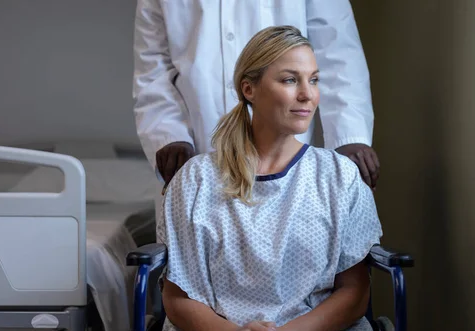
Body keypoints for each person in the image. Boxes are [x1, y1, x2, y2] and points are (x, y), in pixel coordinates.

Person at [157, 25, 384, 331]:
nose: (307, 95)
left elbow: (354, 290)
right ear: (249, 89)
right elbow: (179, 297)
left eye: (313, 80)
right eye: (290, 80)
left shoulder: (338, 177)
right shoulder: (195, 180)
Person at [133, 0, 380, 212]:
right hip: (197, 149)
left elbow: (337, 50)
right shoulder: (192, 176)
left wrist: (349, 133)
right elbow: (153, 66)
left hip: (287, 160)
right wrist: (168, 135)